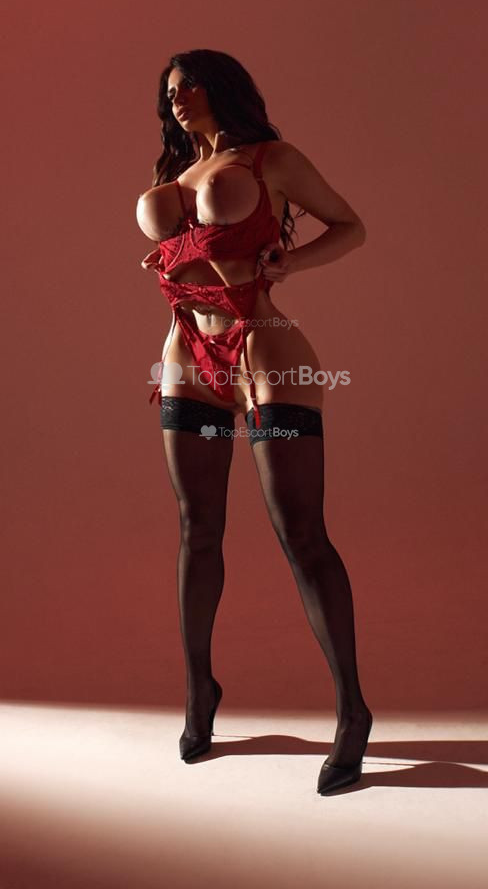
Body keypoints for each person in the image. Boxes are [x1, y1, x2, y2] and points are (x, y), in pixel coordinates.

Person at [136, 49, 372, 794]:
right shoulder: (176, 176)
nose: (179, 98)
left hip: (265, 349)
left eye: (190, 84)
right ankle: (198, 691)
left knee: (300, 531)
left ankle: (353, 710)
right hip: (187, 354)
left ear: (223, 87)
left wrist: (290, 264)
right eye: (170, 90)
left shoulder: (272, 159)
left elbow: (350, 226)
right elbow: (186, 253)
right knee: (197, 527)